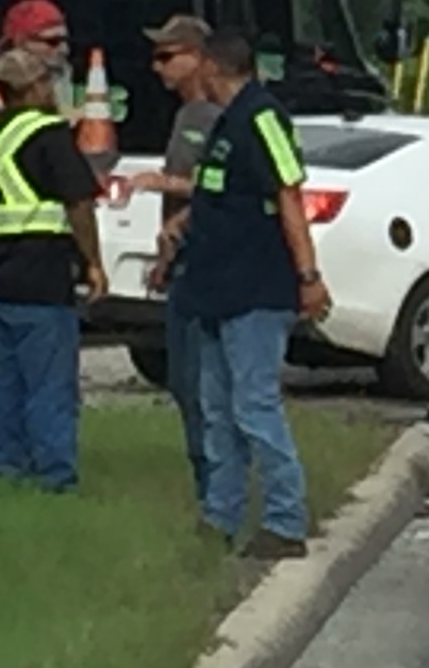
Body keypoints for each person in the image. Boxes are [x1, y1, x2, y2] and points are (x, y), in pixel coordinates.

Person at [175, 31, 331, 557]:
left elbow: (288, 193)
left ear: (214, 67)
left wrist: (309, 277)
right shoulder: (227, 124)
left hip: (256, 289)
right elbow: (220, 195)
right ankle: (221, 518)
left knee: (254, 407)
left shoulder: (261, 118)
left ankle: (285, 522)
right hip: (217, 288)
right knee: (217, 410)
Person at [0, 47, 110, 491]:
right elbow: (79, 203)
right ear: (33, 88)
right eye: (47, 80)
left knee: (1, 382)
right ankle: (54, 476)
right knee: (49, 385)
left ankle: (2, 470)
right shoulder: (51, 135)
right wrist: (93, 263)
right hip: (42, 278)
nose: (52, 88)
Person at [129, 14, 222, 505]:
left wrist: (163, 184)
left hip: (208, 264)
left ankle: (218, 490)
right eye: (155, 56)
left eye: (168, 56)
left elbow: (220, 184)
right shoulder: (183, 116)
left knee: (202, 386)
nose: (158, 66)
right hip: (180, 263)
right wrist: (164, 254)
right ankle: (206, 488)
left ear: (198, 59)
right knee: (183, 384)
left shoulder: (210, 116)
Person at [0, 0, 79, 130]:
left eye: (66, 41)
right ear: (18, 44)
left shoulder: (62, 78)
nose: (64, 50)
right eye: (52, 41)